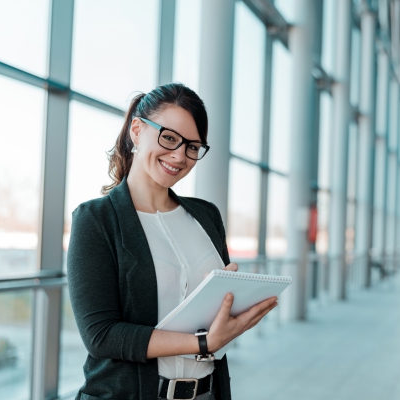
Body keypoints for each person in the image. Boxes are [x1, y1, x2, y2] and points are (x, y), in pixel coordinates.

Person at [67, 83, 278, 400]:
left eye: (193, 146)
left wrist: (231, 304)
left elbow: (211, 317)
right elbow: (101, 335)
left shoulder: (206, 215)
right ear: (137, 130)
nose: (179, 155)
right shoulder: (96, 219)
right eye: (169, 138)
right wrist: (203, 342)